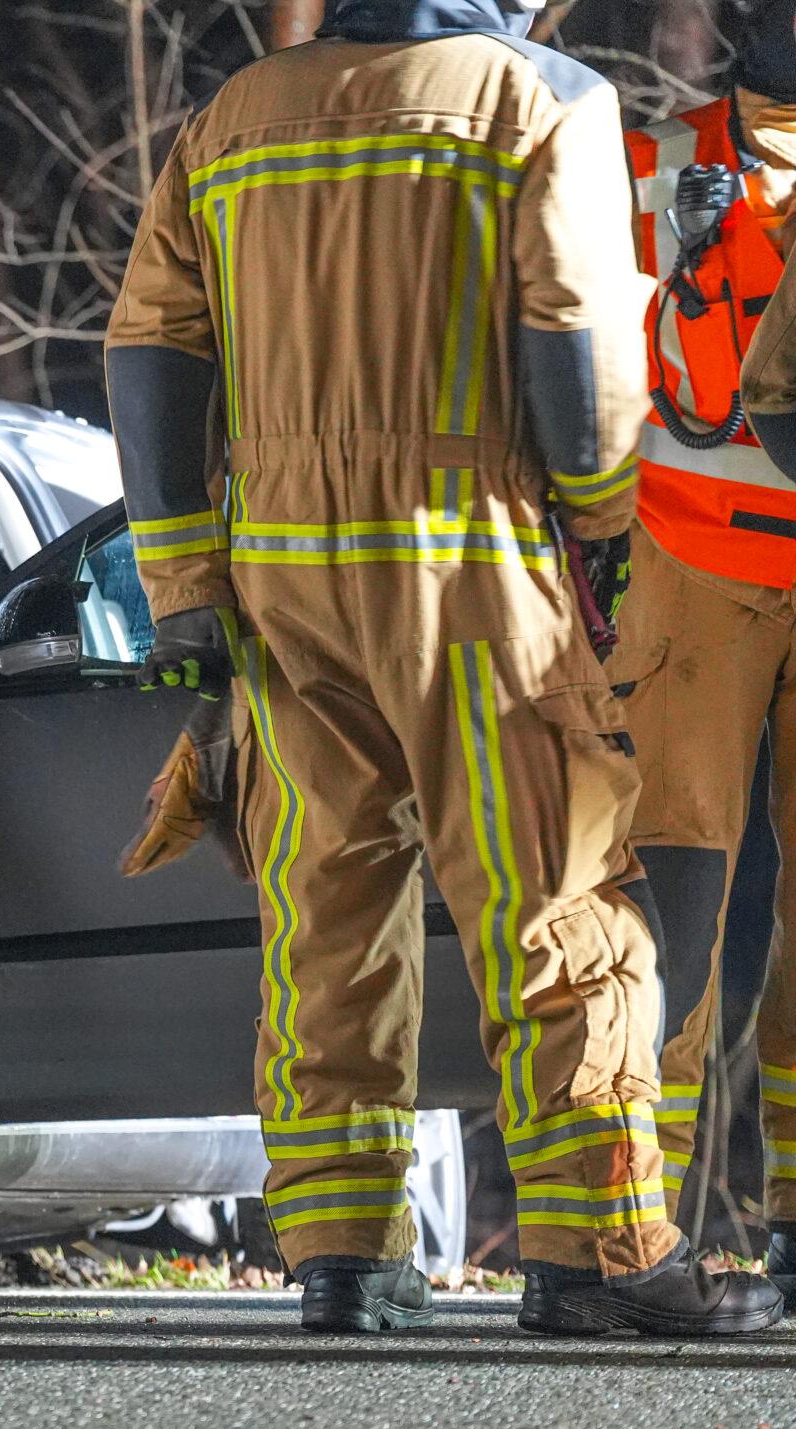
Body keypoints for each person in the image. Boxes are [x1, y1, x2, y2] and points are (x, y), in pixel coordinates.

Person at [106, 0, 785, 1335]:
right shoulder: (541, 98)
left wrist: (186, 582)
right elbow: (580, 347)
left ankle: (345, 1259)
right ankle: (598, 1260)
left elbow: (150, 348)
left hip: (281, 576)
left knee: (326, 915)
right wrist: (597, 534)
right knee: (563, 903)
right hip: (471, 570)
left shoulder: (236, 116)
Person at [611, 0, 796, 1303]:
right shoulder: (660, 160)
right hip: (693, 561)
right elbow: (594, 359)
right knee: (675, 891)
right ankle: (637, 1220)